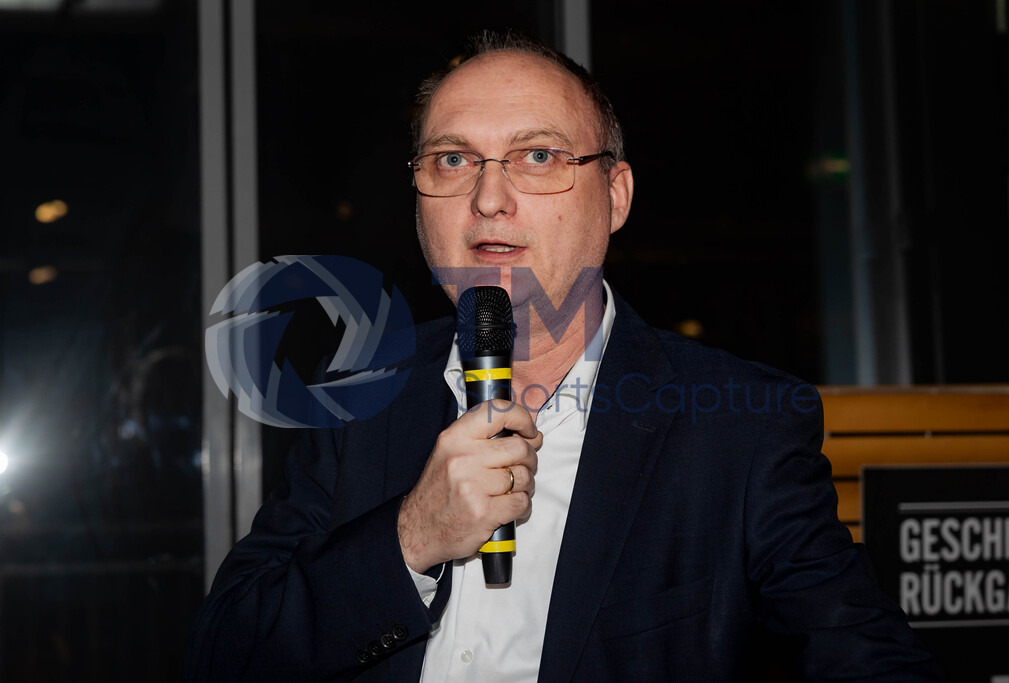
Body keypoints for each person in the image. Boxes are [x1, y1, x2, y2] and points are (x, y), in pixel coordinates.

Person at [186, 31, 942, 681]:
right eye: (452, 160)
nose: (488, 199)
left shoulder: (740, 429)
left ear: (614, 194)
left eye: (537, 155)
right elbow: (227, 653)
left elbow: (867, 659)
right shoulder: (360, 393)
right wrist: (411, 538)